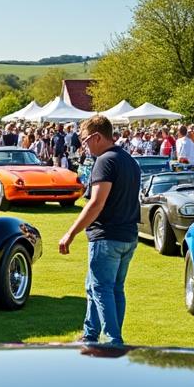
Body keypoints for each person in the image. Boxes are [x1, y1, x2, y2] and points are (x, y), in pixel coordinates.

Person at [59, 115, 140, 345]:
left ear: (96, 137)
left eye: (84, 140)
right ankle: (90, 335)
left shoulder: (105, 161)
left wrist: (71, 232)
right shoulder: (129, 160)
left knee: (102, 288)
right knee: (108, 287)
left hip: (107, 236)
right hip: (127, 235)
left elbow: (96, 203)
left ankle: (114, 342)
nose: (83, 145)